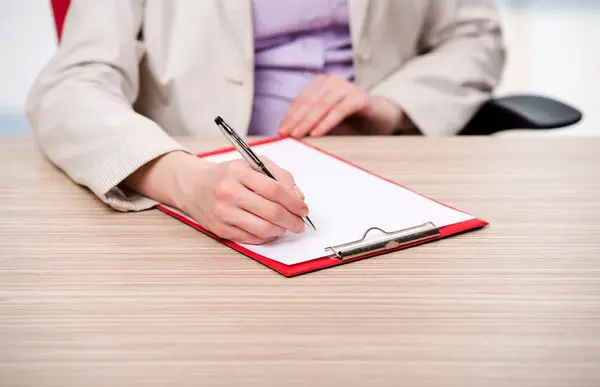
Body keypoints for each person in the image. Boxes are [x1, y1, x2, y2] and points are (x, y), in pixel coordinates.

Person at [26, 0, 505, 244]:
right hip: (198, 189)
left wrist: (392, 105)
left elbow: (475, 37)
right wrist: (184, 180)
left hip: (389, 171)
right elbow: (70, 86)